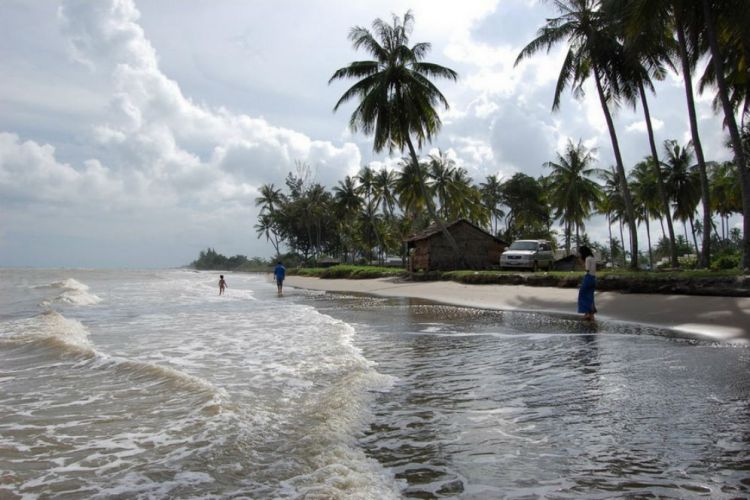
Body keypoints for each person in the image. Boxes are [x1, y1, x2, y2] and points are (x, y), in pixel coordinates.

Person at [577, 246, 597, 320]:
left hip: (588, 278)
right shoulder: (593, 258)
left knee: (582, 295)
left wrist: (581, 262)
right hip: (593, 278)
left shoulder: (587, 259)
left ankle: (587, 313)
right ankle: (591, 314)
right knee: (590, 296)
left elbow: (587, 270)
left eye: (580, 253)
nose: (580, 254)